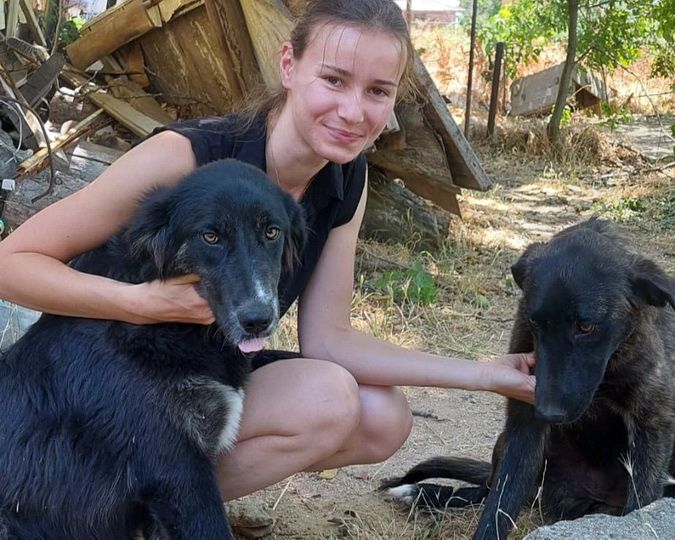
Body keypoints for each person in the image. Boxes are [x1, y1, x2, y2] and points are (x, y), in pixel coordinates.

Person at [0, 0, 535, 502]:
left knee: (382, 417)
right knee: (331, 397)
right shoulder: (183, 159)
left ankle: (155, 513)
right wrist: (142, 304)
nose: (353, 111)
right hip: (97, 390)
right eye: (334, 80)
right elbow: (10, 265)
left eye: (378, 90)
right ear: (288, 66)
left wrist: (483, 374)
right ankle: (104, 503)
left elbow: (330, 339)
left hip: (201, 373)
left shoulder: (345, 179)